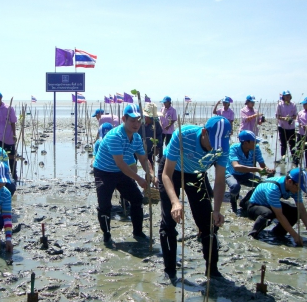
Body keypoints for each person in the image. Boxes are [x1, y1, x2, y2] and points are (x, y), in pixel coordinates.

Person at [158, 116, 231, 281]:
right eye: (212, 141)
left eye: (219, 144)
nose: (215, 148)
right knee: (169, 222)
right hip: (172, 171)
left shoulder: (223, 147)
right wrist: (176, 202)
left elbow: (219, 181)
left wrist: (217, 210)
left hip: (196, 175)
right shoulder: (183, 135)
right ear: (204, 132)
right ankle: (170, 271)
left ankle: (212, 271)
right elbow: (166, 175)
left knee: (208, 223)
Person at [93, 104, 157, 244]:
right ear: (124, 119)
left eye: (138, 120)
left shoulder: (137, 138)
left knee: (136, 199)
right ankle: (107, 235)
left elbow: (143, 158)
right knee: (105, 206)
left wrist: (151, 175)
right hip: (104, 171)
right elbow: (121, 163)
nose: (136, 124)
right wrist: (139, 179)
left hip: (121, 172)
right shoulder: (115, 136)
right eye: (132, 120)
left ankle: (138, 233)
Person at [247, 168, 307, 246]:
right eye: (299, 187)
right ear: (290, 182)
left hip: (270, 204)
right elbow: (279, 215)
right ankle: (253, 233)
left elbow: (302, 209)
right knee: (268, 213)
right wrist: (295, 235)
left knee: (295, 212)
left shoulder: (294, 187)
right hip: (255, 206)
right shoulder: (273, 188)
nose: (299, 190)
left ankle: (277, 233)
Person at [226, 130, 275, 213]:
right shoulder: (234, 149)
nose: (256, 144)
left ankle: (244, 202)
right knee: (235, 186)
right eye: (254, 142)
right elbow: (236, 167)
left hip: (245, 174)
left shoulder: (256, 148)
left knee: (261, 185)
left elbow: (262, 165)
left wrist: (268, 170)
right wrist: (257, 169)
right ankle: (234, 206)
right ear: (245, 143)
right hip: (231, 174)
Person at [276, 90, 297, 161]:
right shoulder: (279, 105)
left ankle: (294, 159)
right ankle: (283, 158)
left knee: (292, 144)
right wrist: (285, 118)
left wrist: (290, 118)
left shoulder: (293, 105)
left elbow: (295, 116)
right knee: (283, 144)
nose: (287, 97)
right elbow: (277, 116)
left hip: (291, 127)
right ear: (283, 97)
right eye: (286, 96)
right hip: (282, 127)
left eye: (288, 95)